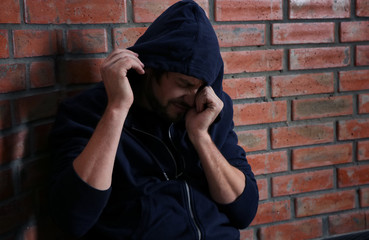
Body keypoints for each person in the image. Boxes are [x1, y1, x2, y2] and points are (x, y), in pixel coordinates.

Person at [49, 1, 259, 239]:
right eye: (183, 84)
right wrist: (117, 109)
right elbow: (72, 218)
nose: (192, 98)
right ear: (150, 68)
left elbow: (244, 212)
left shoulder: (208, 111)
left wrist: (200, 137)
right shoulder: (89, 112)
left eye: (200, 87)